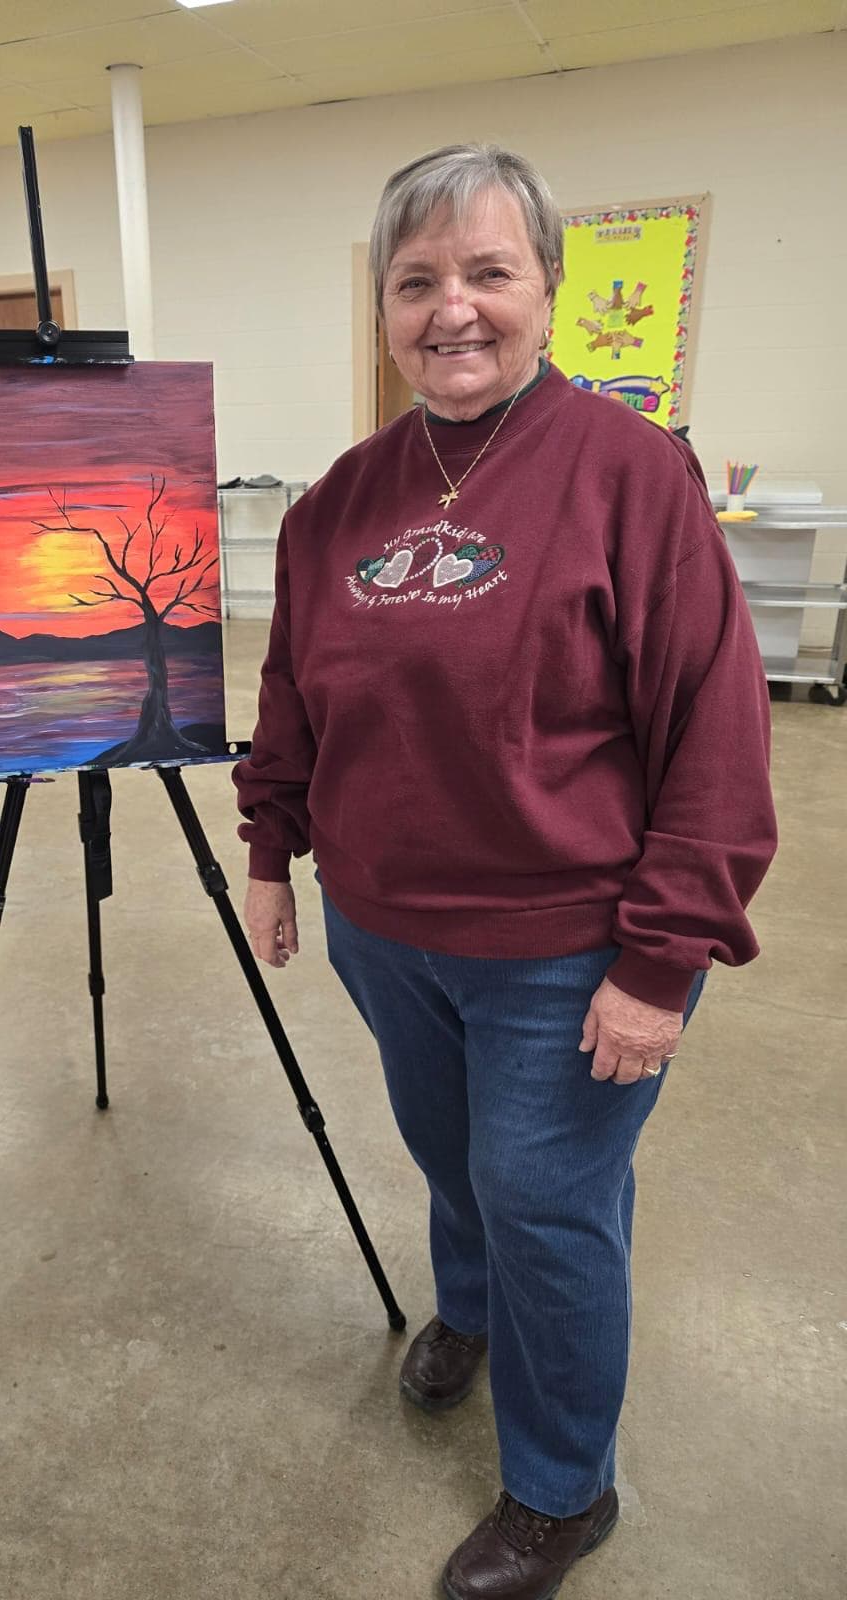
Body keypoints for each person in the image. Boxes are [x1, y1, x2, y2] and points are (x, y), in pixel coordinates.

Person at [233, 143, 777, 1600]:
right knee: (454, 1160)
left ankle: (559, 1489)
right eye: (417, 281)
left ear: (547, 290)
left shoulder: (630, 473)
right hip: (386, 930)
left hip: (567, 947)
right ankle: (464, 1314)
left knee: (547, 1201)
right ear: (382, 308)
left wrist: (663, 963)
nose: (452, 310)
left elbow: (717, 735)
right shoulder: (339, 500)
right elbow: (297, 688)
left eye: (488, 273)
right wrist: (273, 845)